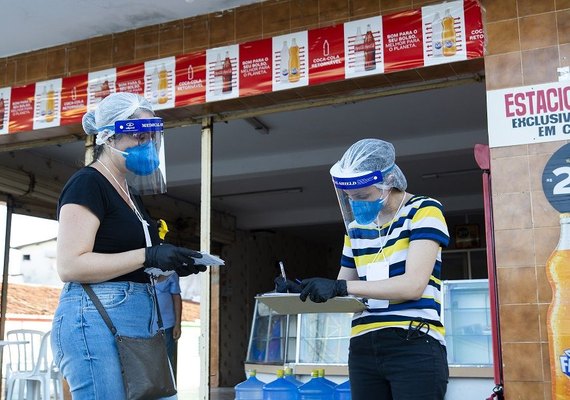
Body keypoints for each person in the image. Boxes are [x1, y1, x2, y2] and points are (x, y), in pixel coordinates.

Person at [51, 92, 207, 399]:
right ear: (110, 136)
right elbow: (70, 265)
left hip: (137, 320)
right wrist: (147, 254)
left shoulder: (130, 194)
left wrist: (166, 266)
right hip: (94, 320)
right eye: (139, 136)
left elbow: (130, 264)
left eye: (150, 136)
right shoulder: (88, 183)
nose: (146, 144)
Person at [277, 138, 450, 400]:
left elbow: (413, 285)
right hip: (363, 345)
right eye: (350, 198)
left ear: (389, 183)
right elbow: (343, 290)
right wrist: (302, 290)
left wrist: (340, 287)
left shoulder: (424, 211)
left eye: (362, 196)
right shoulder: (356, 229)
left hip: (413, 342)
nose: (356, 203)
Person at [154, 272, 183, 375]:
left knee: (168, 361)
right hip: (146, 327)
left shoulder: (171, 273)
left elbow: (177, 298)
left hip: (167, 325)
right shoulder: (142, 271)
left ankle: (169, 389)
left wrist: (177, 324)